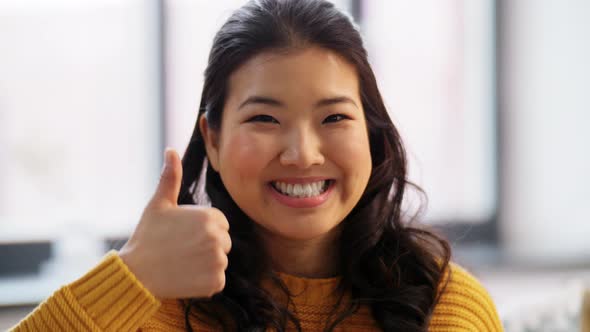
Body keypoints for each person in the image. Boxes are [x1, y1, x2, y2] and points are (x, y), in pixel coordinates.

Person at [12, 0, 503, 331]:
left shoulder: (443, 308)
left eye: (334, 116)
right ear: (214, 140)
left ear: (372, 135)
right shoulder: (154, 305)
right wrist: (129, 277)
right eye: (265, 118)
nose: (303, 154)